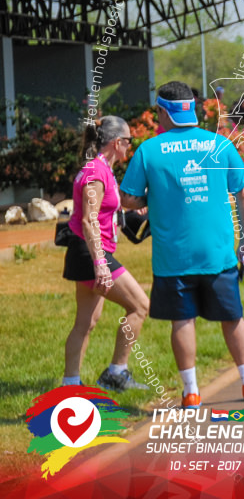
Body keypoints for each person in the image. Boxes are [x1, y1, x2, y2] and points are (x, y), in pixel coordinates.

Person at [120, 81, 244, 409]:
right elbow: (243, 195)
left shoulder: (149, 150)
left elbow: (128, 199)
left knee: (182, 321)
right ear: (191, 109)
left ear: (163, 112)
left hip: (172, 257)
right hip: (217, 254)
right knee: (232, 317)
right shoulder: (220, 144)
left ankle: (191, 392)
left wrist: (154, 198)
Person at [62, 117, 150, 392]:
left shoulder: (103, 170)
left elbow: (104, 211)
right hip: (90, 253)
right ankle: (116, 373)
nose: (129, 147)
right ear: (117, 142)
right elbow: (88, 220)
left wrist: (129, 214)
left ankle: (70, 386)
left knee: (86, 322)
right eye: (128, 142)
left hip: (88, 252)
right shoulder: (95, 172)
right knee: (139, 306)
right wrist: (100, 265)